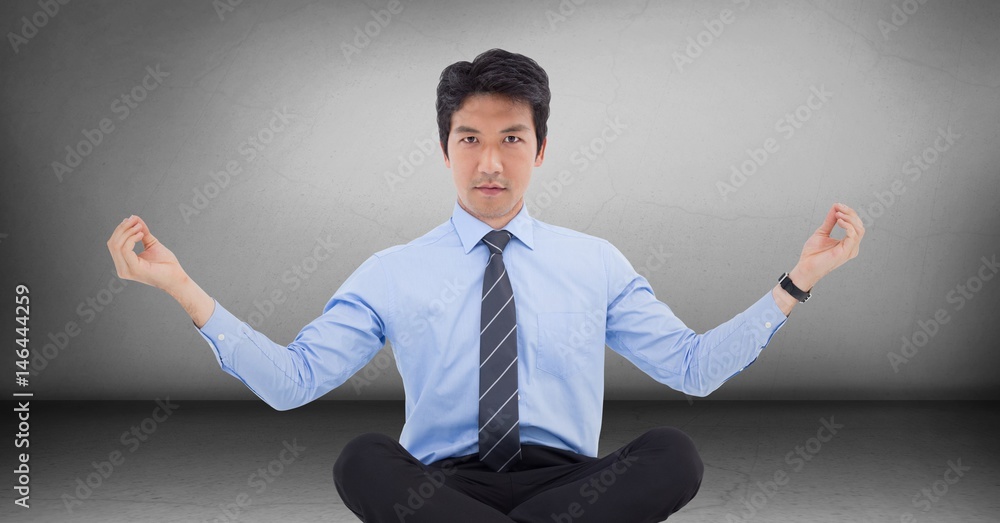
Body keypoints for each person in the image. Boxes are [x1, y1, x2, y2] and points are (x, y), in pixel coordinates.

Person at [106, 48, 864, 522]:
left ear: (542, 149)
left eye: (512, 140)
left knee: (674, 451)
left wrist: (798, 281)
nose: (491, 163)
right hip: (440, 491)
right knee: (363, 457)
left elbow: (691, 367)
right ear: (444, 149)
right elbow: (292, 380)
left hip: (573, 487)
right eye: (470, 139)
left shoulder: (594, 260)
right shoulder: (395, 269)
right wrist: (181, 287)